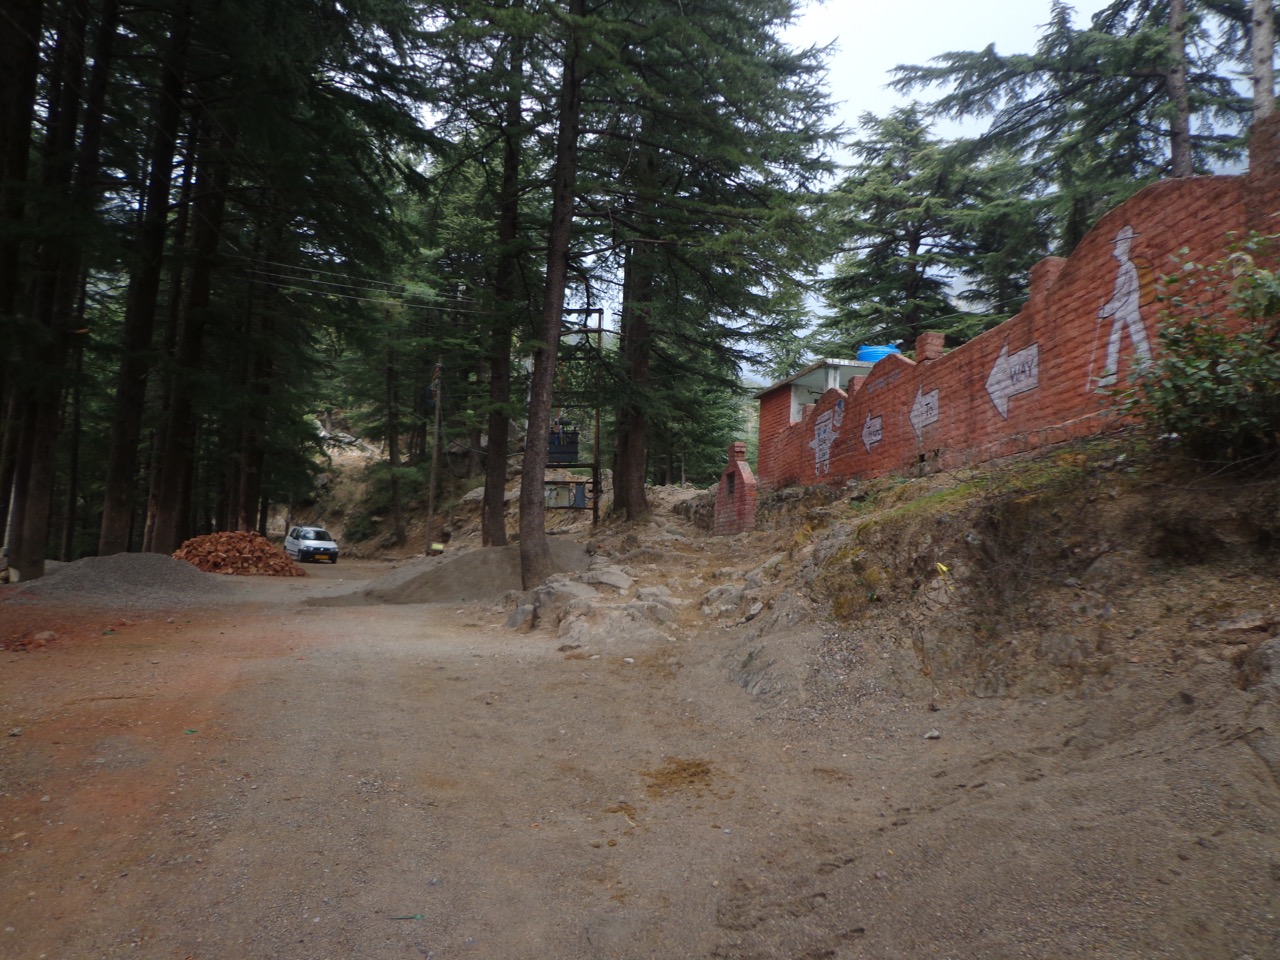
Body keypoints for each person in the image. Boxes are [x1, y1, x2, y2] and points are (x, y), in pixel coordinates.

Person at [1094, 224, 1152, 388]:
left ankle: (1142, 365)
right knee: (1127, 335)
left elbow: (1120, 294)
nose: (1115, 251)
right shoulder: (1125, 268)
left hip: (1128, 307)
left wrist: (1106, 310)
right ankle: (1114, 373)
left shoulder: (1127, 268)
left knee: (1129, 335)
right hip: (1125, 308)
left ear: (1124, 247)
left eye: (1118, 246)